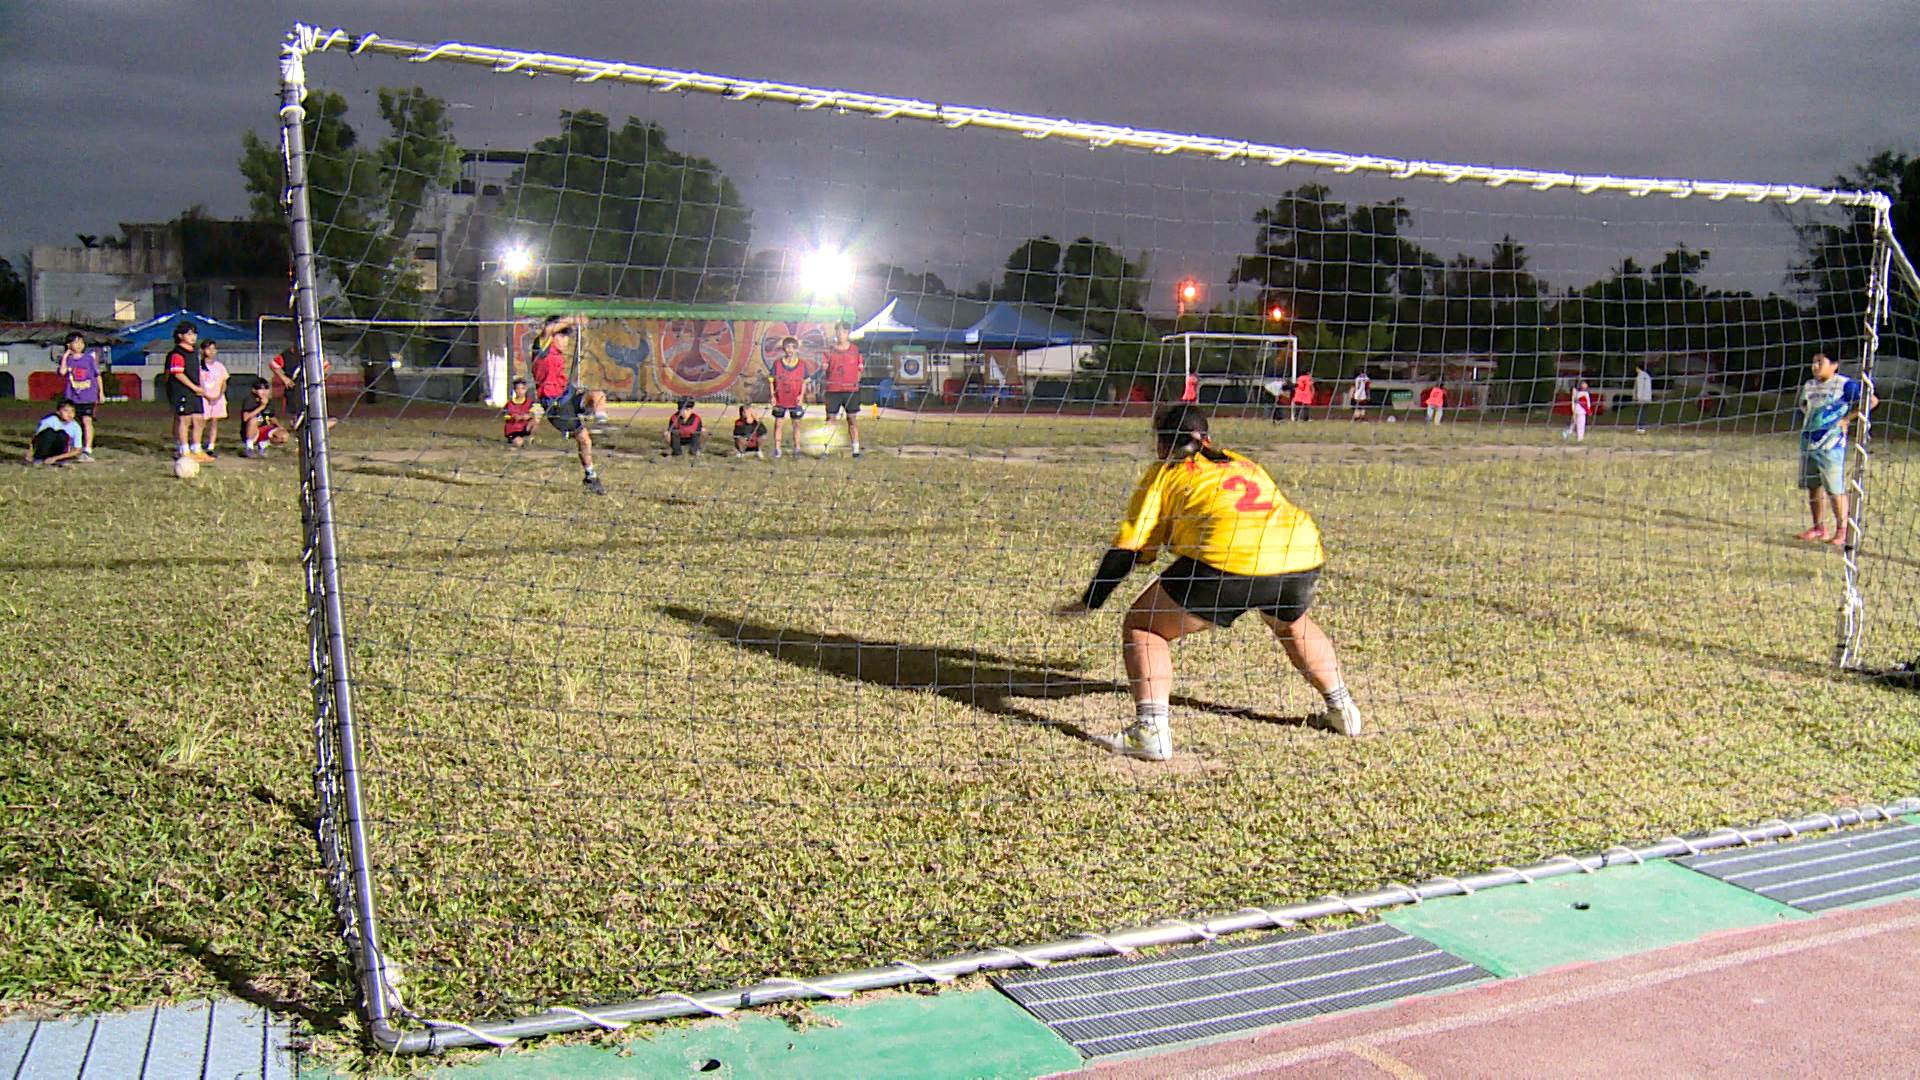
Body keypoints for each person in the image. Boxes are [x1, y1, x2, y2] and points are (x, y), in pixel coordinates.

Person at [1055, 404, 1362, 760]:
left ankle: (1151, 731)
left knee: (1145, 627)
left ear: (1161, 444)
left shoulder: (1164, 473)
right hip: (1301, 553)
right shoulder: (1241, 462)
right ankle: (1344, 711)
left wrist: (1090, 600)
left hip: (1230, 559)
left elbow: (1129, 548)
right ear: (1207, 438)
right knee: (1290, 622)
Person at [1796, 351, 1877, 547]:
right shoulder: (1809, 386)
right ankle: (1818, 527)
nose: (1815, 366)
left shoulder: (1844, 385)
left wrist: (1847, 419)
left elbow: (1872, 400)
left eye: (1820, 362)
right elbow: (1804, 406)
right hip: (1809, 444)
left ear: (1834, 365)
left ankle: (1842, 531)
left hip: (1831, 447)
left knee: (1835, 488)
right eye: (1813, 361)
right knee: (1813, 486)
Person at [529, 316, 608, 494]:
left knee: (598, 395)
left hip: (568, 394)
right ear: (553, 337)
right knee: (584, 439)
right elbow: (548, 328)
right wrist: (573, 318)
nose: (566, 340)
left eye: (567, 336)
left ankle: (602, 426)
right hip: (556, 406)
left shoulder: (558, 354)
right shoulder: (542, 349)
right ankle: (591, 476)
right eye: (562, 335)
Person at [164, 322, 208, 461]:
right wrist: (193, 387)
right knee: (185, 419)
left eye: (194, 334)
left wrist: (201, 386)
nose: (193, 337)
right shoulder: (177, 353)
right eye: (189, 334)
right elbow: (178, 374)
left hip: (195, 390)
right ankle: (184, 449)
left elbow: (198, 371)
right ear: (180, 335)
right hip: (182, 390)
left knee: (199, 419)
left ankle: (197, 448)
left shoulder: (195, 352)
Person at [821, 322, 865, 457]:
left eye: (844, 332)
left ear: (848, 333)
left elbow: (860, 369)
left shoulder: (855, 350)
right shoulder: (829, 350)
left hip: (850, 390)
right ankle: (826, 450)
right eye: (838, 332)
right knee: (830, 419)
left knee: (852, 419)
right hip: (833, 390)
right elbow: (824, 368)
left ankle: (856, 450)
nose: (841, 335)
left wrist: (854, 382)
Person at [57, 332, 102, 460]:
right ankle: (72, 447)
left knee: (87, 420)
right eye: (76, 342)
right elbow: (62, 372)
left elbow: (97, 375)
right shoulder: (67, 360)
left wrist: (101, 392)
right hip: (72, 397)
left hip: (88, 396)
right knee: (69, 422)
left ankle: (87, 449)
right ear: (69, 345)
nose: (79, 345)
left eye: (81, 342)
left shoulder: (89, 359)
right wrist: (66, 356)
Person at [768, 335, 808, 458]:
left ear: (796, 349)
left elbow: (804, 381)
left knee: (796, 424)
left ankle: (797, 448)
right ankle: (777, 449)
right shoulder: (777, 363)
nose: (790, 350)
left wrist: (801, 396)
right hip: (781, 399)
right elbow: (771, 380)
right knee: (778, 423)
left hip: (794, 399)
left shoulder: (802, 364)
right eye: (787, 347)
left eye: (793, 347)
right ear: (783, 348)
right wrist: (772, 396)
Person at [24, 399, 84, 466]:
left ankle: (60, 460)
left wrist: (55, 458)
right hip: (44, 449)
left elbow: (77, 450)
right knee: (49, 432)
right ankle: (38, 458)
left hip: (60, 453)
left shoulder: (76, 427)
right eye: (66, 411)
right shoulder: (49, 421)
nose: (69, 414)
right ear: (58, 412)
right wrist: (30, 453)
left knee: (62, 434)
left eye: (72, 411)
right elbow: (35, 439)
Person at [197, 340, 229, 458]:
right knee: (201, 422)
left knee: (214, 422)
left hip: (217, 398)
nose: (211, 351)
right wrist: (206, 396)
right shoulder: (199, 366)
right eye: (208, 348)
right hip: (204, 398)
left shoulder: (219, 366)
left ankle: (211, 446)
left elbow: (224, 382)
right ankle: (197, 445)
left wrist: (219, 396)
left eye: (213, 349)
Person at [240, 381, 285, 456]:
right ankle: (249, 448)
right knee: (253, 420)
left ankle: (264, 444)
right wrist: (262, 406)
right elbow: (245, 418)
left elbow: (271, 416)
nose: (264, 392)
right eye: (261, 389)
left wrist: (279, 426)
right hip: (252, 431)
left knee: (284, 435)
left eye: (266, 389)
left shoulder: (269, 401)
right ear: (254, 390)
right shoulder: (250, 400)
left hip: (265, 429)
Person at [502, 377, 535, 447]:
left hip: (524, 428)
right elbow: (505, 416)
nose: (520, 391)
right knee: (519, 443)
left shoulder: (529, 402)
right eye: (518, 389)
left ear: (526, 390)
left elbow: (533, 413)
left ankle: (529, 437)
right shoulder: (509, 404)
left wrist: (528, 416)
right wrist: (513, 417)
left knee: (535, 421)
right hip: (513, 429)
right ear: (515, 390)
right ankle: (516, 441)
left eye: (522, 388)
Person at [1633, 363, 1654, 433]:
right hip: (1647, 398)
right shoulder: (1647, 375)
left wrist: (1639, 398)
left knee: (1640, 413)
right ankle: (1642, 427)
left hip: (1641, 398)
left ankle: (1640, 427)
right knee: (1643, 413)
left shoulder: (1640, 376)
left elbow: (1640, 388)